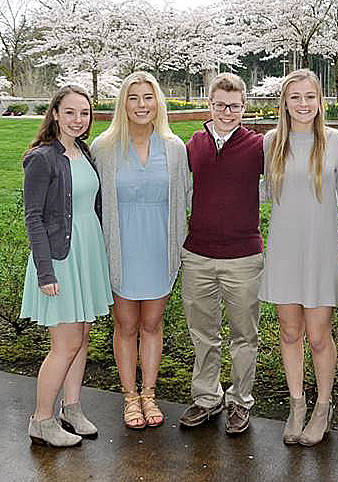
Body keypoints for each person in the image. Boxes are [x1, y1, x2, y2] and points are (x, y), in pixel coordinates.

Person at [259, 69, 338, 447]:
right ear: (284, 102)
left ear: (320, 101)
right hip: (284, 249)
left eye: (309, 97)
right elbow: (263, 193)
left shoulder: (335, 141)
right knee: (289, 332)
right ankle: (297, 404)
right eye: (295, 97)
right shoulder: (271, 142)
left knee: (318, 336)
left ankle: (323, 405)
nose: (303, 104)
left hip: (321, 249)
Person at [91, 72, 191, 430]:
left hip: (159, 247)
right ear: (123, 104)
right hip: (121, 246)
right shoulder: (104, 147)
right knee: (126, 324)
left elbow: (186, 198)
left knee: (152, 323)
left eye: (148, 97)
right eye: (133, 98)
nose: (141, 105)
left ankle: (149, 393)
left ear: (158, 102)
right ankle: (129, 396)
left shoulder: (175, 148)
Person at [21, 85, 112, 446]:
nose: (78, 119)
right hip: (60, 258)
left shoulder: (83, 152)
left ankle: (71, 409)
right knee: (66, 342)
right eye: (70, 112)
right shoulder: (42, 158)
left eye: (84, 113)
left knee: (82, 337)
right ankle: (41, 420)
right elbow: (33, 218)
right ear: (55, 113)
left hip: (86, 255)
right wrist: (46, 271)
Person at [178, 73, 264, 435]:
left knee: (244, 335)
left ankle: (240, 401)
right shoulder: (193, 144)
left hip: (243, 256)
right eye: (220, 105)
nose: (227, 112)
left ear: (245, 107)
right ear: (209, 104)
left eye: (234, 106)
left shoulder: (259, 146)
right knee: (203, 332)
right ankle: (207, 397)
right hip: (198, 253)